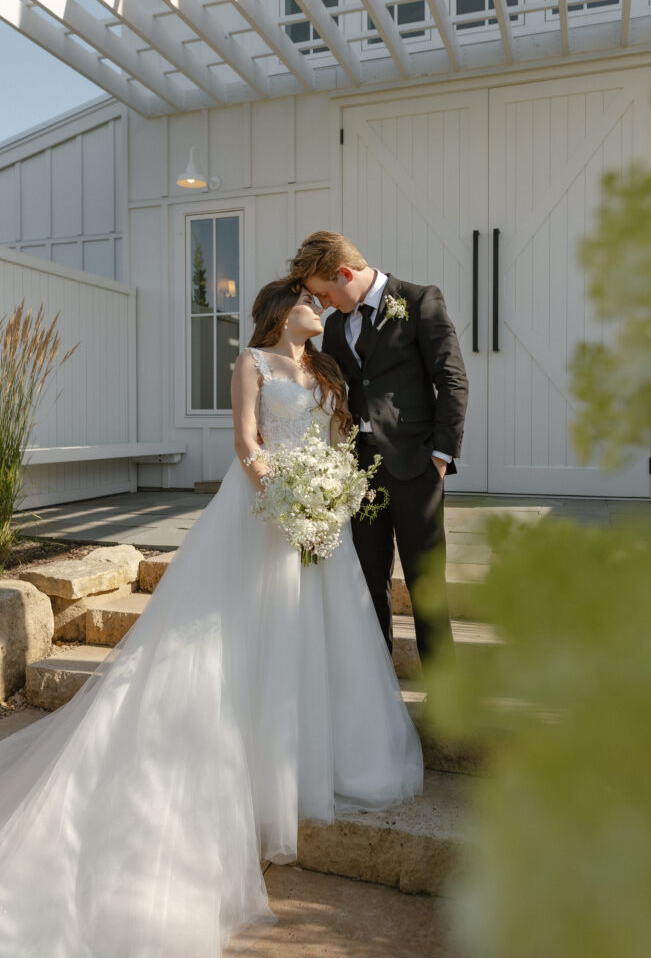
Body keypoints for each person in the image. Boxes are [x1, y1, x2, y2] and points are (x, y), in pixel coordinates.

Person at [0, 279, 422, 958]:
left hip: (322, 517)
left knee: (325, 632)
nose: (320, 310)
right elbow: (246, 443)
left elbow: (339, 436)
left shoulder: (323, 367)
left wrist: (332, 493)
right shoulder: (251, 364)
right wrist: (286, 502)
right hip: (268, 511)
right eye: (310, 302)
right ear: (283, 311)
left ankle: (322, 752)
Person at [290, 231, 469, 663]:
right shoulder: (334, 326)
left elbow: (451, 380)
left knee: (426, 584)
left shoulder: (420, 301)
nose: (325, 304)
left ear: (345, 273)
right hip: (360, 474)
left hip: (416, 469)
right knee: (368, 582)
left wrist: (440, 457)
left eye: (326, 293)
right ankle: (377, 690)